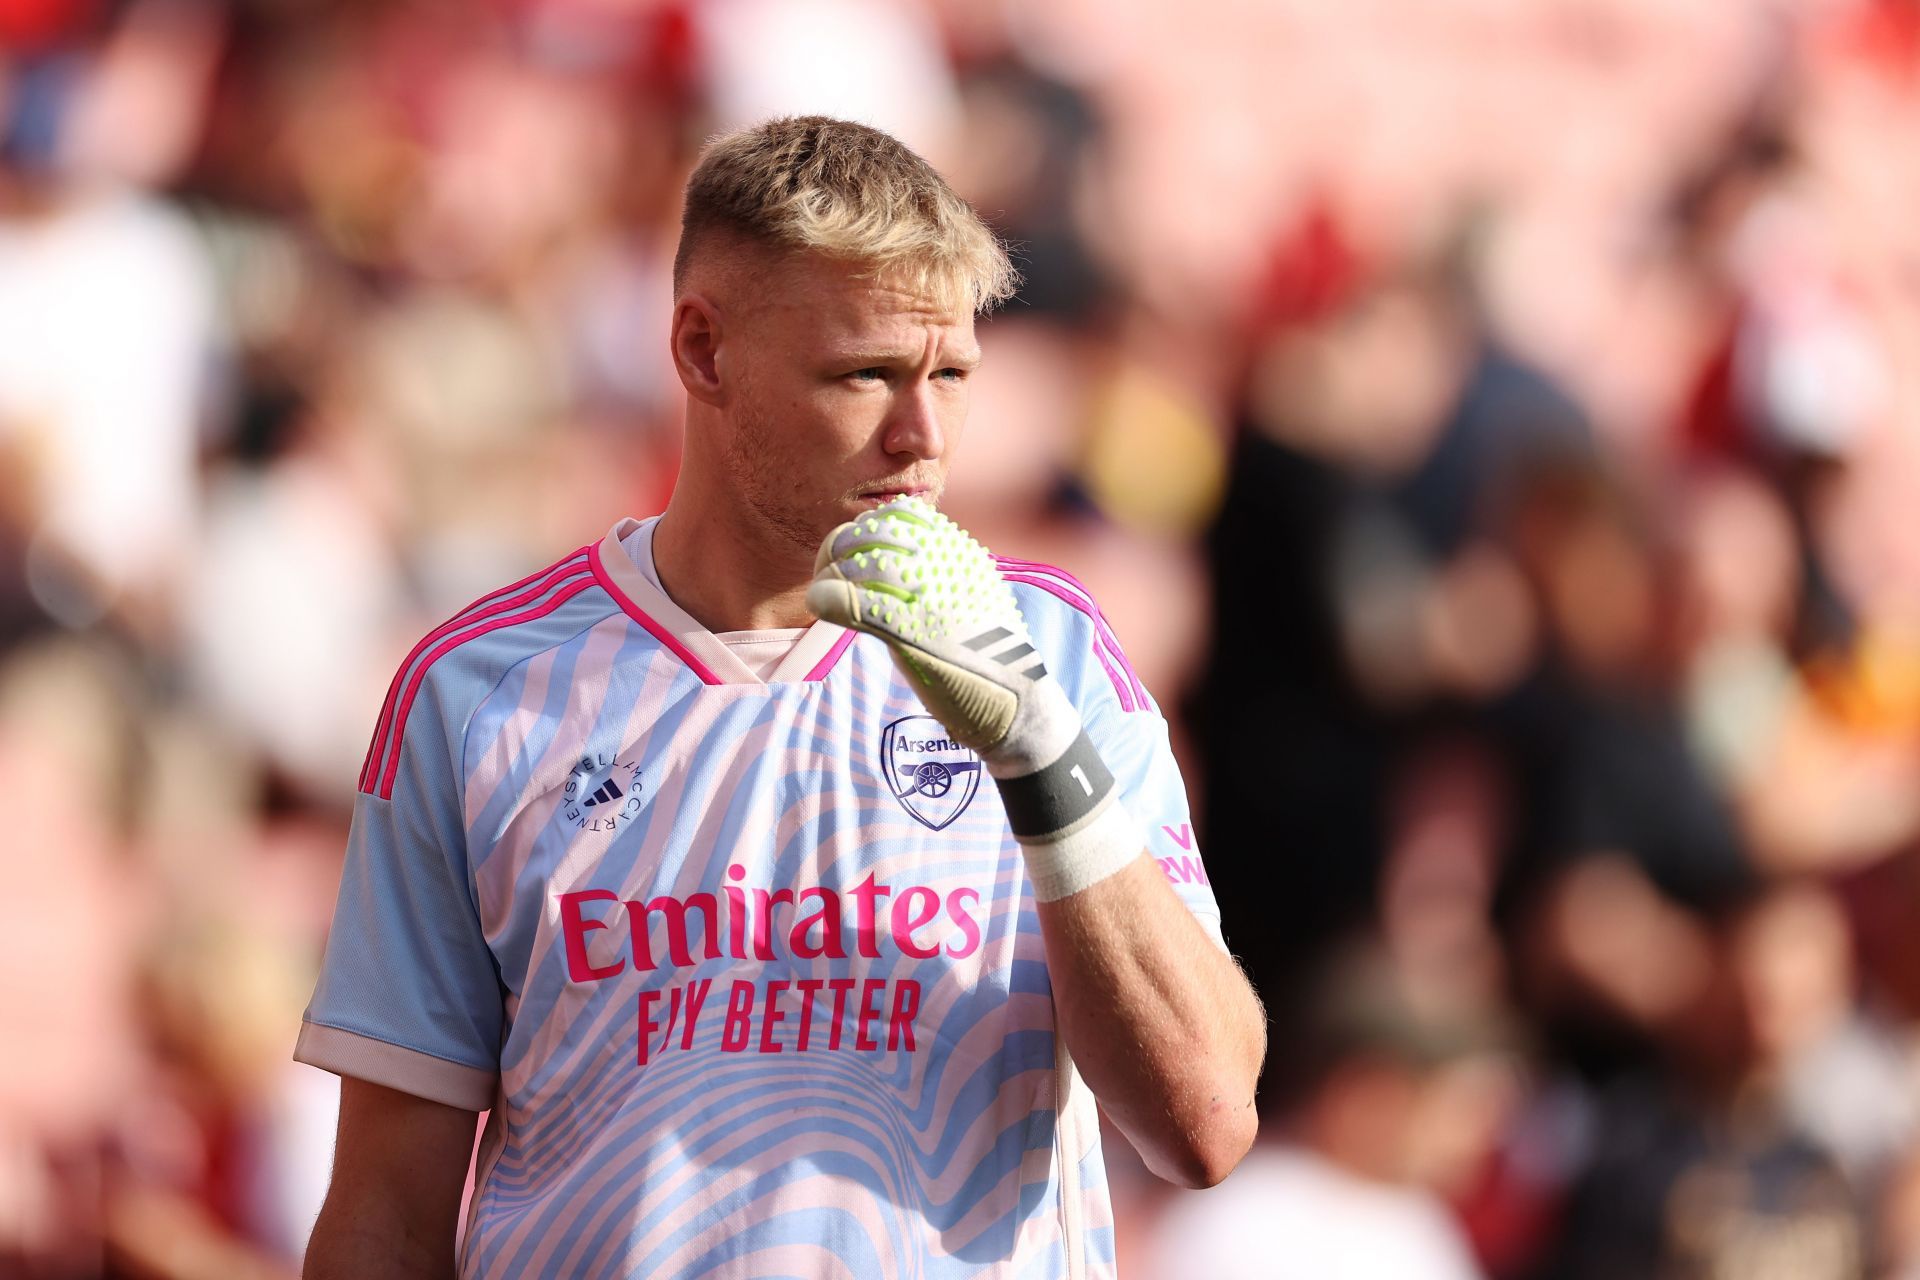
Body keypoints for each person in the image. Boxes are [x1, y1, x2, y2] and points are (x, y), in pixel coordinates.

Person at [296, 115, 1264, 1279]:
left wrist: (1037, 749)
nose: (925, 437)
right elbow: (383, 1211)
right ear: (703, 353)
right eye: (865, 374)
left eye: (952, 374)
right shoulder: (478, 691)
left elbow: (1205, 1117)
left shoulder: (1052, 645)